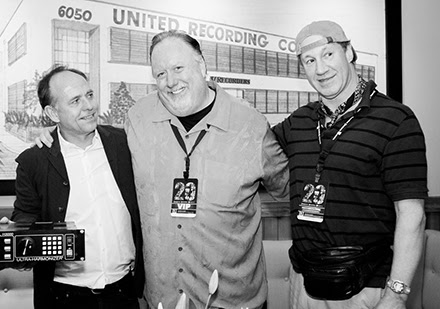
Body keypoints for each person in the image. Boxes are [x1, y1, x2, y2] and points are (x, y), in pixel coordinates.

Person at [37, 31, 289, 309]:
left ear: (202, 65)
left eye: (178, 68)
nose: (171, 82)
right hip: (162, 299)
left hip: (232, 299)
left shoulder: (249, 125)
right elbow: (89, 139)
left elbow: (288, 187)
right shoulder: (138, 119)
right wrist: (54, 135)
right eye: (160, 74)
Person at [272, 20, 427, 309]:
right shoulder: (298, 122)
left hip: (367, 289)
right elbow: (252, 150)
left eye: (328, 54)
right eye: (309, 60)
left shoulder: (396, 120)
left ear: (350, 52)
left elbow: (412, 215)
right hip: (304, 286)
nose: (320, 69)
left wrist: (397, 294)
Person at [11, 65, 144, 309]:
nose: (89, 106)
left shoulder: (124, 144)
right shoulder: (34, 161)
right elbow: (25, 216)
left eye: (90, 95)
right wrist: (15, 233)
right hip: (64, 295)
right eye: (75, 100)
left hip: (124, 292)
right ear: (52, 113)